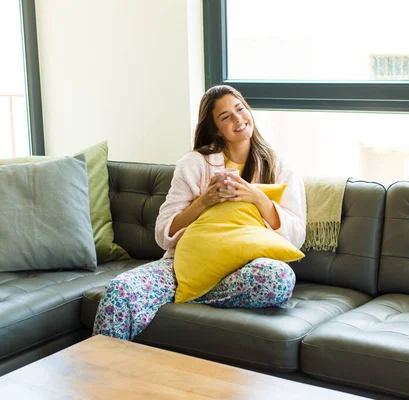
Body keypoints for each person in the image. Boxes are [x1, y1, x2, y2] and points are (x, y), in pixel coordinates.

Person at [93, 85, 307, 340]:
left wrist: (258, 198)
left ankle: (187, 295)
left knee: (278, 279)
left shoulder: (280, 168)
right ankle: (104, 373)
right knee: (120, 290)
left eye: (240, 109)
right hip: (184, 265)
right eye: (226, 116)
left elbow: (296, 236)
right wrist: (204, 201)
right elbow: (163, 234)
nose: (238, 119)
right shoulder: (193, 164)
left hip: (244, 270)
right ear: (216, 128)